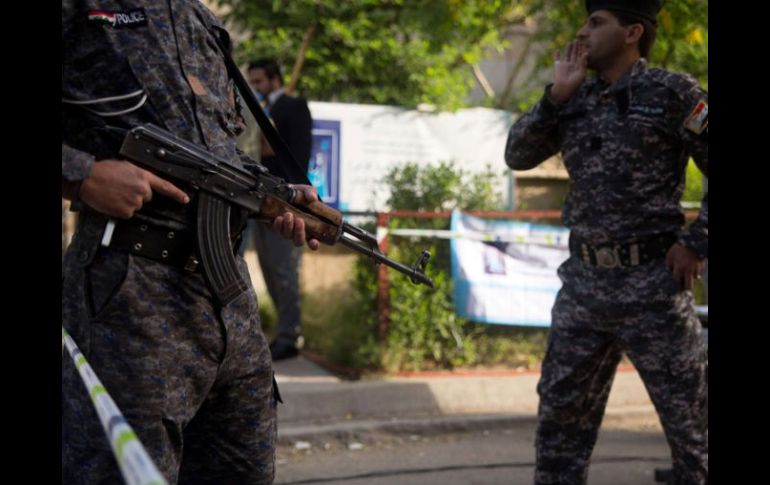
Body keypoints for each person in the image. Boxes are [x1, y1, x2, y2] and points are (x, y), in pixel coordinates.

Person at [62, 2, 319, 483]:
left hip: (231, 304)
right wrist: (82, 175)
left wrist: (277, 196)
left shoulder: (201, 19)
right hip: (129, 305)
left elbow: (216, 153)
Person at [504, 1, 708, 484]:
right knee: (559, 431)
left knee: (693, 431)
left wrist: (697, 242)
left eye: (596, 23)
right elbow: (517, 154)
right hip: (584, 288)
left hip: (653, 286)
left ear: (632, 32)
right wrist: (556, 97)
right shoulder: (571, 96)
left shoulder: (673, 93)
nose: (582, 32)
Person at [246, 58, 314, 360]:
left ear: (275, 79)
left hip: (284, 202)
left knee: (285, 270)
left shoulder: (293, 107)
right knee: (268, 270)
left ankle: (291, 336)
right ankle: (283, 331)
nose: (255, 87)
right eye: (252, 82)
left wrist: (291, 199)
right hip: (256, 201)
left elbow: (298, 156)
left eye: (259, 81)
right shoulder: (253, 108)